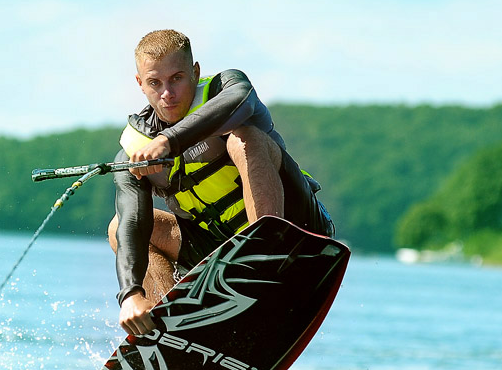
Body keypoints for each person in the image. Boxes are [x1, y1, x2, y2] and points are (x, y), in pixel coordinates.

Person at [108, 29, 333, 337]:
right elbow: (133, 220)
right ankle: (170, 329)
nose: (167, 93)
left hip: (297, 225)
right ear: (140, 83)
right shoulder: (134, 151)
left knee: (245, 137)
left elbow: (240, 101)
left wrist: (169, 140)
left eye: (177, 78)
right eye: (155, 83)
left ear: (195, 72)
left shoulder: (227, 88)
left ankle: (264, 253)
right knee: (117, 227)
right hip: (219, 249)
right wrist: (130, 293)